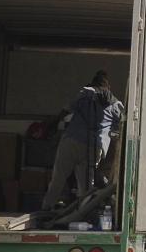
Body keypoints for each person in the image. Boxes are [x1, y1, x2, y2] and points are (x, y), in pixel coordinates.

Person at [42, 70, 125, 211]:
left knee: (58, 178)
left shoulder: (84, 94)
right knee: (86, 185)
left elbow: (66, 110)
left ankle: (47, 207)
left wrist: (54, 123)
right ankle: (84, 212)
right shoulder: (115, 104)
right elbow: (123, 125)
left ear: (93, 83)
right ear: (108, 86)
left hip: (71, 141)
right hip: (93, 147)